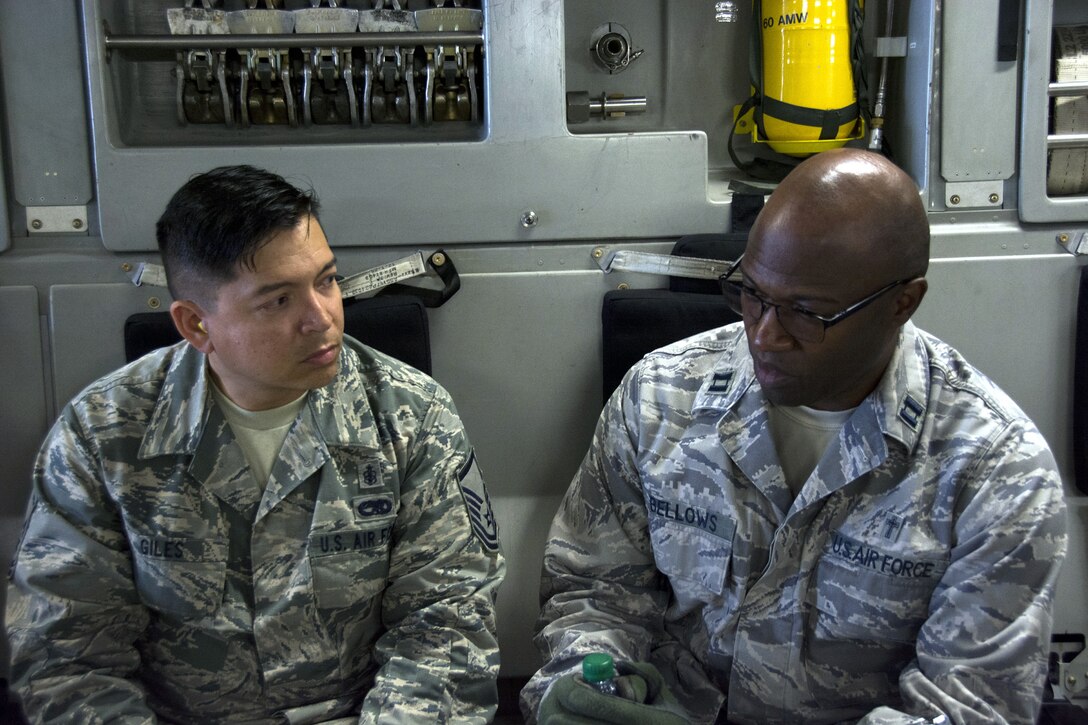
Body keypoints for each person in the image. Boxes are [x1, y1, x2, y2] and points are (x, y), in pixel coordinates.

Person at [521, 148, 1068, 724]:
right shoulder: (660, 398)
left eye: (807, 313)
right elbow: (593, 592)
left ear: (902, 303)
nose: (764, 335)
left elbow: (970, 709)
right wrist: (591, 692)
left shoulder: (996, 471)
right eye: (752, 294)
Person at [6, 165, 505, 723]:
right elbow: (68, 658)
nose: (322, 319)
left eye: (326, 280)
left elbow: (445, 627)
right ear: (196, 325)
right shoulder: (103, 436)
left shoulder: (412, 416)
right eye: (278, 301)